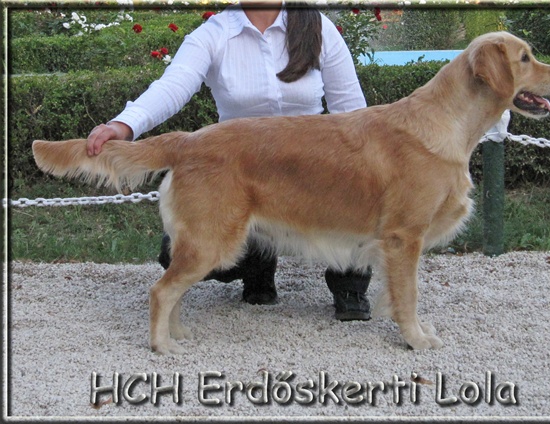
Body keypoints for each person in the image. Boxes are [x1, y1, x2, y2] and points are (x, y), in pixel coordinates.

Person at [86, 1, 372, 320]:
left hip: (310, 171)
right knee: (178, 253)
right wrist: (123, 125)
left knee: (362, 183)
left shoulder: (317, 27)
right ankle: (257, 269)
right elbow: (172, 86)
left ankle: (350, 285)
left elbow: (351, 109)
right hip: (241, 175)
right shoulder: (215, 33)